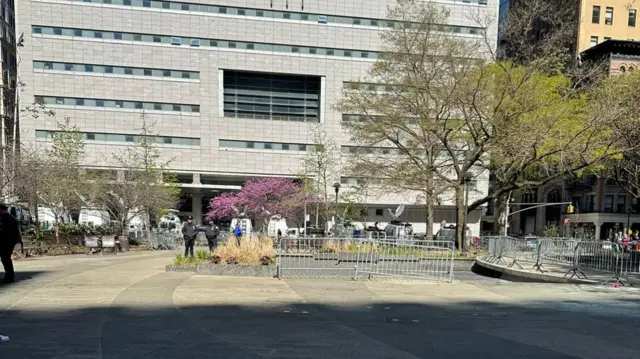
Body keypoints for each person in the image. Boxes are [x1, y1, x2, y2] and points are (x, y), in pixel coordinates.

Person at [1, 204, 22, 284]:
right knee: (5, 259)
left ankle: (9, 276)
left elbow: (5, 232)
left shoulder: (6, 218)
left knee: (6, 258)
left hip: (6, 242)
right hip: (8, 242)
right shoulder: (9, 218)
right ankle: (9, 276)